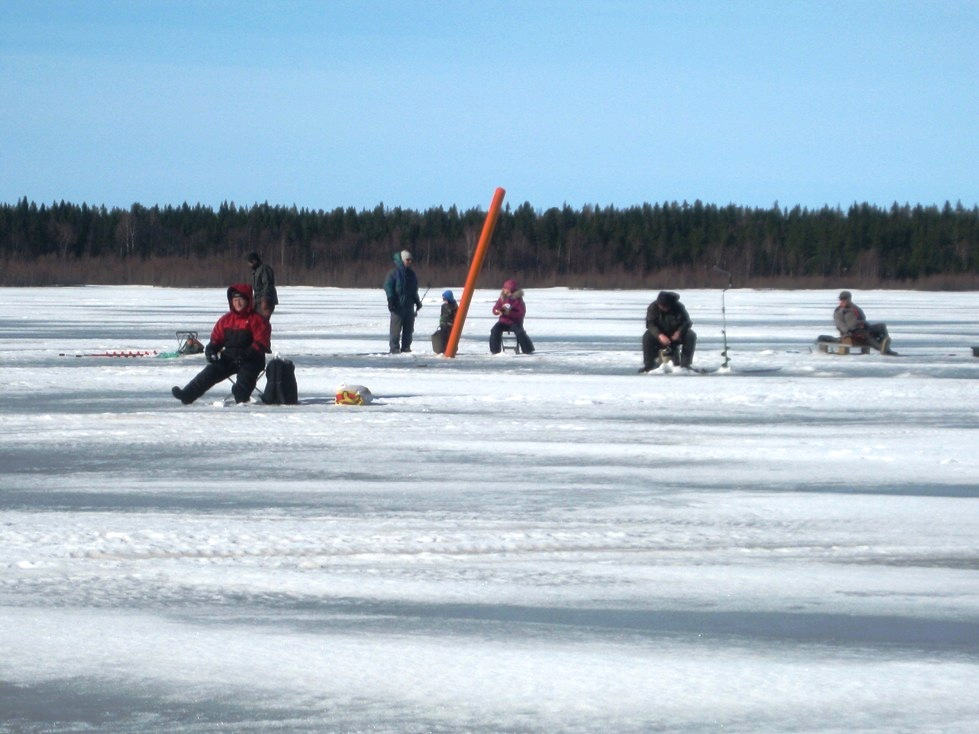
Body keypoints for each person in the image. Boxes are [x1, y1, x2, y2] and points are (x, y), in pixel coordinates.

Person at [171, 284, 271, 405]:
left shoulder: (258, 320)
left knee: (244, 381)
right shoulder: (226, 320)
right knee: (209, 373)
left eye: (240, 300)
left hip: (251, 360)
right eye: (235, 300)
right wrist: (211, 350)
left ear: (248, 301)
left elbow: (261, 343)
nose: (237, 303)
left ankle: (241, 398)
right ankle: (187, 394)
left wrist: (246, 355)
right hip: (229, 359)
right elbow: (216, 340)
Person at [640, 290, 696, 371]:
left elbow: (687, 322)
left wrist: (679, 332)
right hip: (660, 334)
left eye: (665, 306)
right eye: (661, 306)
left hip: (676, 335)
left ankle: (685, 365)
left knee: (690, 335)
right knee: (647, 336)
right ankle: (649, 365)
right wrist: (659, 335)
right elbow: (650, 324)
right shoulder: (653, 307)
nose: (663, 307)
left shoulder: (679, 307)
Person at [383, 250, 422, 353]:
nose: (409, 262)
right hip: (397, 306)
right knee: (395, 330)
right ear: (402, 260)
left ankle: (406, 348)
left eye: (411, 260)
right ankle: (394, 349)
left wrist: (417, 301)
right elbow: (388, 286)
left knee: (408, 330)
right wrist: (391, 299)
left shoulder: (411, 274)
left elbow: (414, 290)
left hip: (409, 306)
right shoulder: (393, 273)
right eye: (407, 260)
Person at [489, 279, 535, 354]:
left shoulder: (518, 300)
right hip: (503, 322)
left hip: (515, 322)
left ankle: (528, 350)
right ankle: (495, 351)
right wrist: (497, 311)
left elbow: (520, 313)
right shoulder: (502, 298)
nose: (503, 289)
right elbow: (495, 309)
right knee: (494, 330)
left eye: (505, 288)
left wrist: (509, 313)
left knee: (520, 333)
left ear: (510, 289)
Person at [247, 252, 278, 320]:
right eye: (249, 262)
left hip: (265, 300)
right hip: (258, 300)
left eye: (251, 262)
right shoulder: (256, 271)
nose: (250, 264)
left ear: (255, 260)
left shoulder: (264, 269)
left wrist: (265, 298)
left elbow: (267, 284)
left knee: (263, 322)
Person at [431, 289, 458, 354]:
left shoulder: (454, 306)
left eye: (445, 299)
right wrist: (441, 322)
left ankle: (452, 349)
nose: (444, 301)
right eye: (443, 299)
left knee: (450, 337)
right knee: (443, 337)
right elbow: (442, 315)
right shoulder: (443, 306)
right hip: (444, 325)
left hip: (451, 325)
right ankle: (443, 349)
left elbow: (456, 316)